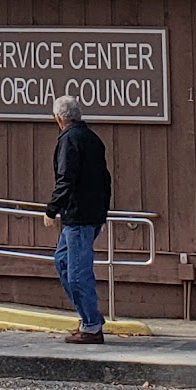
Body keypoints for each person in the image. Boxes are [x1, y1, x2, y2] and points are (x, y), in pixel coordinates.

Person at [42, 94, 111, 343]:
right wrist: (102, 213)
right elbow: (105, 180)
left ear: (58, 118)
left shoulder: (69, 140)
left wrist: (52, 210)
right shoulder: (93, 139)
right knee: (62, 263)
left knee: (77, 274)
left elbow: (66, 178)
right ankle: (89, 317)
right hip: (87, 215)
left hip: (78, 217)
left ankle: (92, 326)